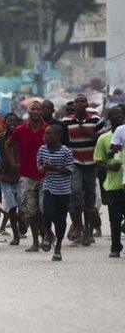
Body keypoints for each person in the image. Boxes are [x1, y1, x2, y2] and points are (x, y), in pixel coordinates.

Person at [62, 94, 106, 246]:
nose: (80, 104)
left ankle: (88, 230)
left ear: (87, 103)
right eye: (77, 102)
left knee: (90, 196)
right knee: (75, 191)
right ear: (74, 105)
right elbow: (62, 141)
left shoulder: (95, 120)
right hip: (74, 162)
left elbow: (102, 141)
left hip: (91, 163)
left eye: (82, 101)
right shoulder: (66, 121)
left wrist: (88, 133)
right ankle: (78, 225)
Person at [7, 101, 48, 252]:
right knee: (31, 211)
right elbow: (8, 145)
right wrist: (13, 162)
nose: (36, 111)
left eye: (38, 109)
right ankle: (36, 242)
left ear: (42, 112)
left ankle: (47, 235)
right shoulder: (20, 129)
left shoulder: (48, 130)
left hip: (45, 175)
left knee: (45, 209)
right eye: (33, 109)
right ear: (28, 111)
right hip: (26, 175)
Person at [36, 124, 74, 261]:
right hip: (49, 187)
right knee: (46, 213)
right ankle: (47, 233)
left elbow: (70, 171)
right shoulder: (42, 149)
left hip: (63, 190)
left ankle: (58, 246)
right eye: (45, 133)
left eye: (48, 133)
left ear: (58, 136)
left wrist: (54, 168)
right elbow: (39, 168)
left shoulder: (66, 151)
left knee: (60, 221)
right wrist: (44, 168)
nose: (44, 136)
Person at [95, 106, 125, 257]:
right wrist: (109, 166)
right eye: (115, 115)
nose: (118, 117)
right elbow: (97, 162)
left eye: (121, 114)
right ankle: (115, 247)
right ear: (109, 117)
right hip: (113, 185)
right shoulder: (103, 138)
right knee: (114, 218)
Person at [0, 113, 22, 245]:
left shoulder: (23, 135)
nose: (12, 123)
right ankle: (16, 235)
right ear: (4, 123)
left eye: (14, 121)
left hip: (22, 175)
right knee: (11, 207)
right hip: (6, 176)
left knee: (23, 205)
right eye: (9, 121)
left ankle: (22, 222)